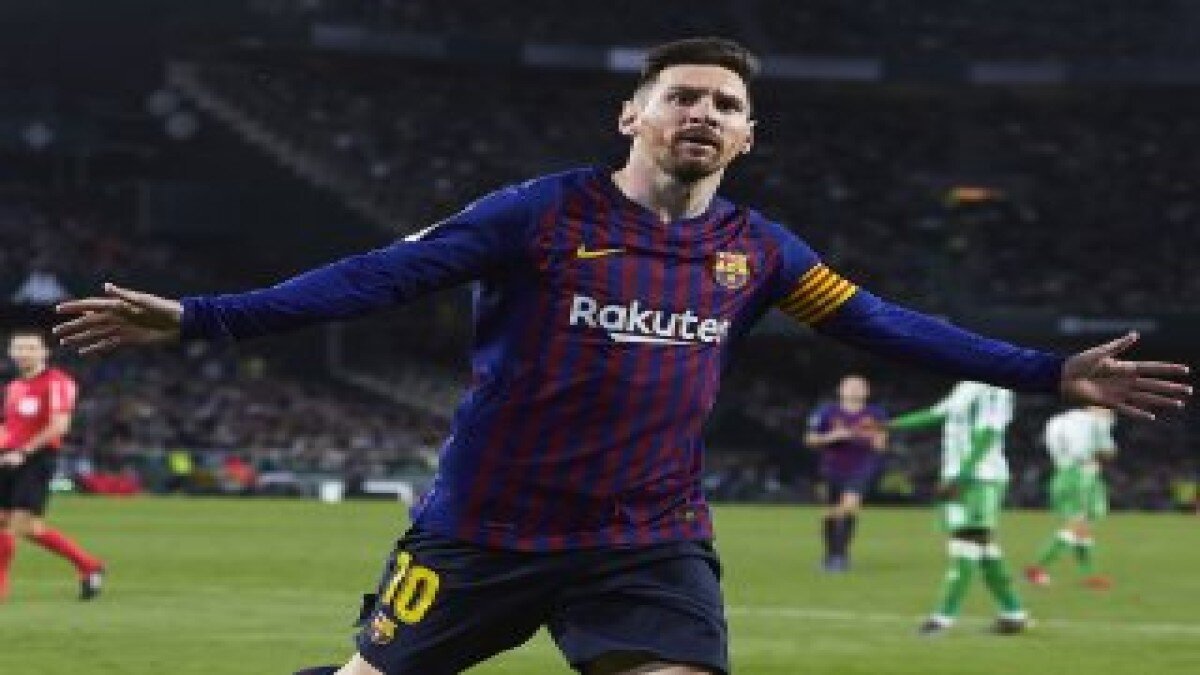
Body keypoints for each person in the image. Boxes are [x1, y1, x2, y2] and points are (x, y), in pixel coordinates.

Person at [53, 37, 1190, 675]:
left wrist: (1049, 371)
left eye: (725, 104)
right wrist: (204, 317)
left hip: (646, 540)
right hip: (484, 529)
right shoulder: (538, 213)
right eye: (682, 95)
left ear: (747, 136)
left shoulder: (762, 251)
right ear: (632, 115)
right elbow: (375, 278)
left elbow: (885, 324)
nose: (704, 111)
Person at [890, 382, 1028, 636]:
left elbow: (989, 432)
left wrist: (963, 475)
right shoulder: (965, 386)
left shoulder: (995, 388)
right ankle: (1013, 614)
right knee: (983, 548)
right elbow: (936, 414)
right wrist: (888, 425)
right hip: (960, 476)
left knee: (965, 542)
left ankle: (942, 618)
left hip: (980, 477)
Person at [0, 329, 105, 601]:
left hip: (36, 459)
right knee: (27, 527)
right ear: (10, 352)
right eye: (18, 348)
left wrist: (23, 451)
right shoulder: (13, 387)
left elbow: (59, 426)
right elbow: (8, 427)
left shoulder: (58, 382)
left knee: (15, 525)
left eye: (31, 348)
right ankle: (89, 564)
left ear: (44, 352)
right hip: (8, 458)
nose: (24, 353)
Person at [1025, 406, 1117, 590]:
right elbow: (1107, 451)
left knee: (1082, 527)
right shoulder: (1097, 421)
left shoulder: (1059, 420)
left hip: (1062, 473)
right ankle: (1037, 569)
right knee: (1077, 526)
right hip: (1081, 475)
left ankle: (1089, 575)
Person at [803, 374, 887, 571]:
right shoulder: (826, 412)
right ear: (840, 390)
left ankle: (840, 557)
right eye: (850, 386)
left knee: (849, 507)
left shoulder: (875, 413)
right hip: (831, 468)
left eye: (860, 386)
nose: (855, 389)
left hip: (861, 468)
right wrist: (833, 436)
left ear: (867, 391)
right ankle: (830, 556)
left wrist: (866, 435)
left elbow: (881, 444)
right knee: (830, 513)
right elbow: (810, 439)